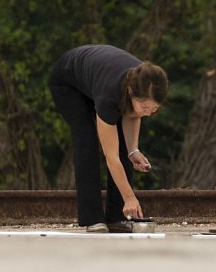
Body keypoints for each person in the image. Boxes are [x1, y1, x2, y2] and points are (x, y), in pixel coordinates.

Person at [49, 44, 168, 232]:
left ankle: (116, 217)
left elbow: (133, 114)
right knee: (86, 140)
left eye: (154, 109)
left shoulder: (143, 79)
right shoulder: (109, 94)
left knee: (123, 149)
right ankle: (92, 218)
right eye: (145, 107)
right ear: (130, 91)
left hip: (96, 78)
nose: (148, 113)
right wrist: (130, 197)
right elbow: (111, 157)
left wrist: (133, 150)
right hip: (68, 83)